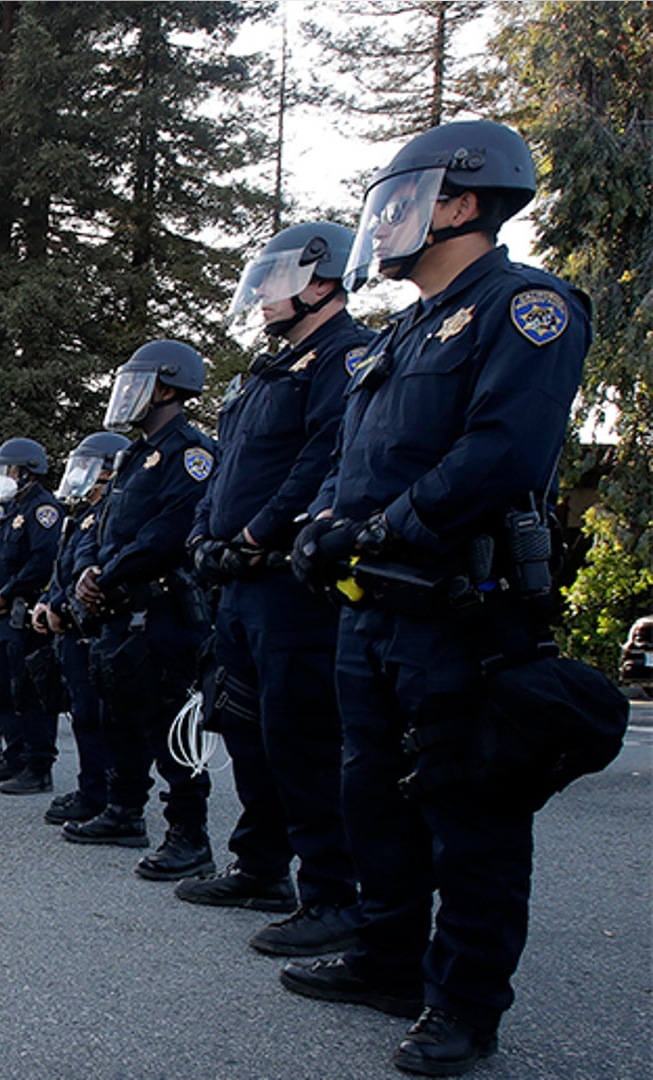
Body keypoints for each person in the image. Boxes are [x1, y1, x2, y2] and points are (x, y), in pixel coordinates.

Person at [280, 119, 589, 1077]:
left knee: (469, 809)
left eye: (405, 202)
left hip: (461, 602)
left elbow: (504, 452)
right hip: (373, 605)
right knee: (371, 789)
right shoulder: (400, 331)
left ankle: (464, 1006)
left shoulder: (525, 307)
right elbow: (351, 458)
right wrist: (324, 524)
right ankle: (387, 957)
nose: (388, 224)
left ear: (459, 202)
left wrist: (385, 526)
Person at [179, 222, 372, 958]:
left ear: (322, 283)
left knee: (302, 740)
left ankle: (330, 892)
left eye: (276, 278)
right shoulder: (268, 369)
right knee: (250, 733)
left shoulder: (343, 357)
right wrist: (206, 533)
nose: (261, 294)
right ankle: (261, 868)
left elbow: (326, 457)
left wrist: (257, 534)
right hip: (238, 585)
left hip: (287, 584)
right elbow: (228, 468)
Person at [65, 341, 217, 883]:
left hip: (163, 612)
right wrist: (90, 572)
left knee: (169, 724)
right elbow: (102, 526)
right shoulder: (132, 456)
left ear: (169, 388)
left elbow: (169, 531)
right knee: (119, 715)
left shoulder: (190, 453)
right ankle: (125, 811)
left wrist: (108, 573)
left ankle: (189, 834)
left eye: (140, 384)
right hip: (118, 610)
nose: (128, 395)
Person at [31, 432, 129, 826]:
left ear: (108, 471)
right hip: (70, 626)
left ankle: (104, 794)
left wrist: (62, 605)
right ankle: (92, 787)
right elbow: (64, 568)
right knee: (83, 714)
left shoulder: (110, 511)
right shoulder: (84, 514)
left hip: (91, 626)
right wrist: (49, 601)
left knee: (98, 714)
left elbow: (92, 570)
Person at [0, 438, 65, 795]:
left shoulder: (44, 510)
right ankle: (14, 757)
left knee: (31, 693)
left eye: (9, 471)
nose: (4, 478)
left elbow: (42, 562)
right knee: (5, 690)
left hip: (25, 615)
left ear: (27, 472)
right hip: (1, 617)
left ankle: (38, 766)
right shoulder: (11, 512)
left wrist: (4, 593)